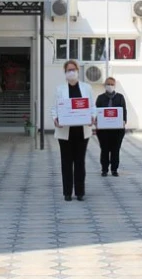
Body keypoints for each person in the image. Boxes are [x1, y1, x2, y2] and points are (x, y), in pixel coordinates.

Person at [51, 60, 96, 201]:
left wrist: (93, 118)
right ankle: (67, 192)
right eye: (68, 70)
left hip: (82, 131)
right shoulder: (60, 89)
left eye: (73, 69)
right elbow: (54, 108)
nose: (71, 72)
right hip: (65, 131)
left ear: (78, 71)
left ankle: (80, 192)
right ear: (65, 73)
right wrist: (55, 118)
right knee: (66, 162)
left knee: (80, 162)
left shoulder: (87, 87)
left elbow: (92, 107)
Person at [95, 77, 127, 177]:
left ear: (115, 85)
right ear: (105, 85)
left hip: (117, 130)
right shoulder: (100, 98)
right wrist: (96, 122)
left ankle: (114, 169)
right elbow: (97, 111)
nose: (110, 86)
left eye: (112, 84)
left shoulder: (120, 97)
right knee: (104, 149)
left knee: (115, 149)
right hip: (103, 130)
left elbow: (124, 110)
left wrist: (124, 121)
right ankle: (104, 169)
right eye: (108, 84)